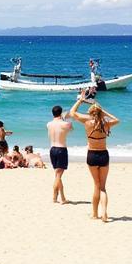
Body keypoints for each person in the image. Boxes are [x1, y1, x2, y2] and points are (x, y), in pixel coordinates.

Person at [70, 92, 119, 222]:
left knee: (96, 185)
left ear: (91, 112)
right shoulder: (105, 124)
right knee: (102, 187)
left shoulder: (87, 121)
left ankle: (94, 214)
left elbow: (72, 113)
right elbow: (117, 120)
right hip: (103, 154)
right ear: (100, 113)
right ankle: (104, 213)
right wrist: (105, 113)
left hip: (92, 155)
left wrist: (80, 101)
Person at [47, 105, 74, 205]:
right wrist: (65, 117)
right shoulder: (65, 124)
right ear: (61, 113)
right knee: (58, 175)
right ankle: (55, 196)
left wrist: (62, 117)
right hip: (61, 149)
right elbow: (71, 129)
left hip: (52, 149)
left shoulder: (48, 124)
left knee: (57, 174)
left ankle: (62, 197)